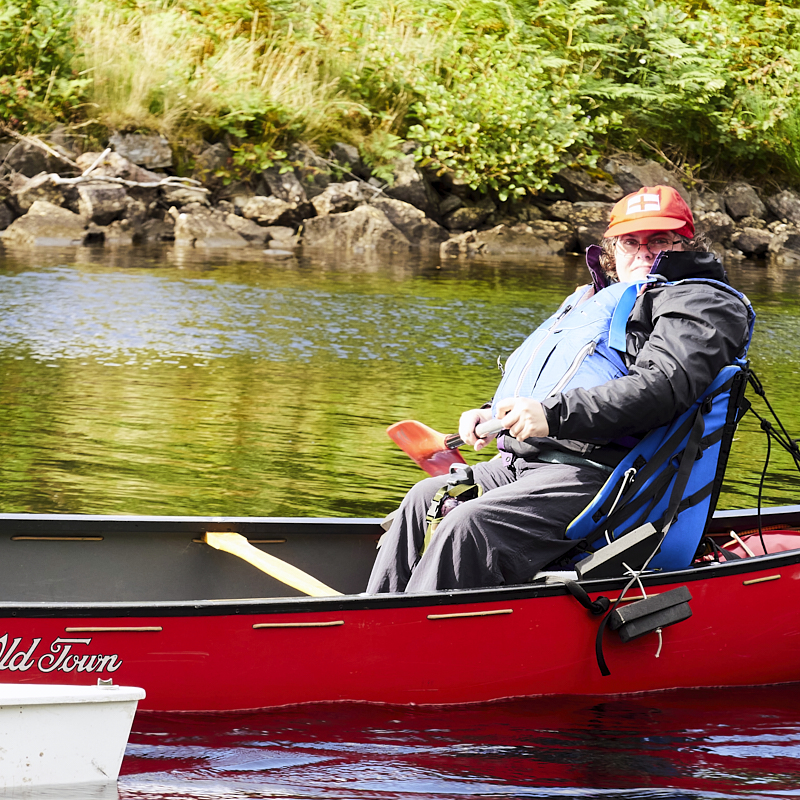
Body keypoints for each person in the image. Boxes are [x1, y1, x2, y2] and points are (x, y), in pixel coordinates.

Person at [366, 185, 753, 594]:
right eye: (630, 241)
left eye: (659, 240)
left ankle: (414, 644)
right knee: (424, 497)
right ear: (611, 248)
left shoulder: (699, 302)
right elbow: (564, 378)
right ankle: (367, 629)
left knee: (470, 525)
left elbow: (661, 388)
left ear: (684, 245)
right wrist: (492, 415)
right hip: (527, 462)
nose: (643, 252)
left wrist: (551, 416)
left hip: (603, 472)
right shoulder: (595, 297)